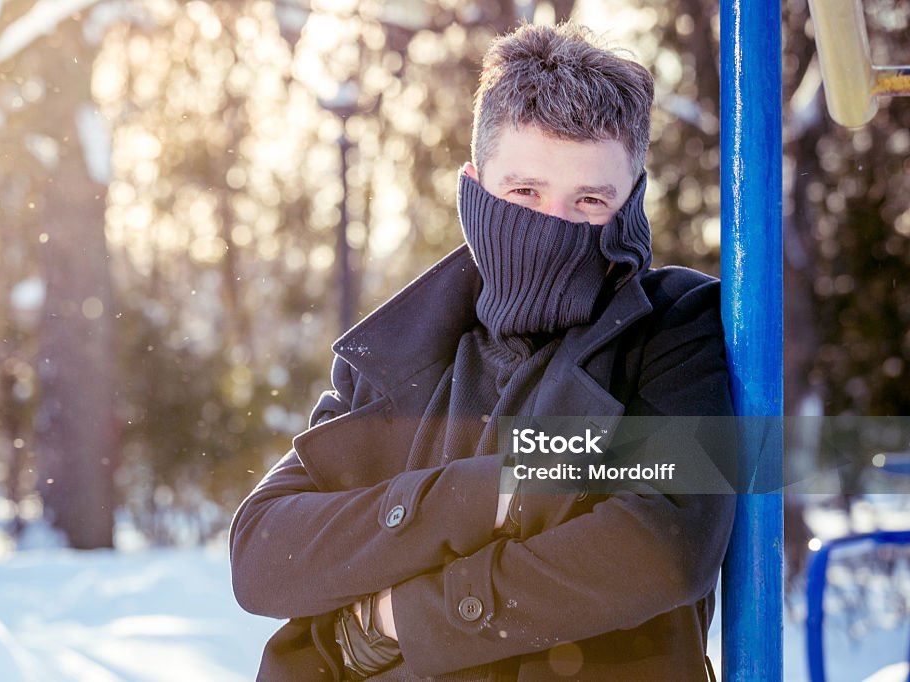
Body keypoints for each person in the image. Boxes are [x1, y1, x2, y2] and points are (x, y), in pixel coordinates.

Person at [230, 21, 736, 681]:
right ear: (475, 184)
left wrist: (392, 618)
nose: (552, 224)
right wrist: (495, 492)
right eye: (524, 193)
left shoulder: (675, 327)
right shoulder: (396, 348)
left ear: (630, 203)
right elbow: (265, 554)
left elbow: (662, 545)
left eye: (589, 200)